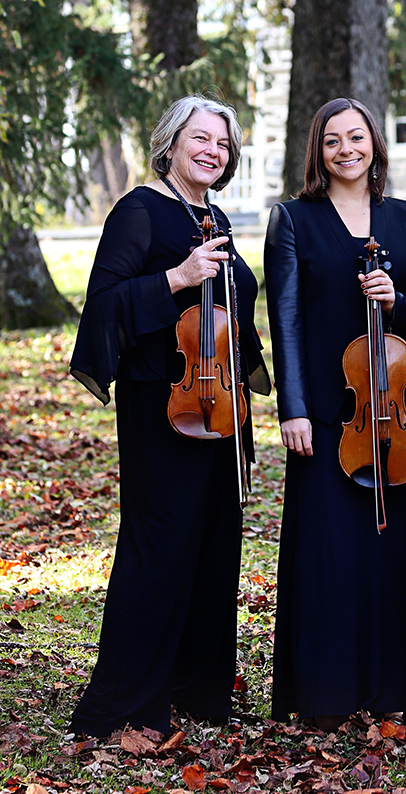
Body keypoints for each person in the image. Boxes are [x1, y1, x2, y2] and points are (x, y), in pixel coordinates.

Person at [68, 95, 271, 737]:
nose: (213, 151)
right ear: (170, 144)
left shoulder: (212, 216)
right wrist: (177, 279)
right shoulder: (139, 211)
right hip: (162, 403)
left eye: (223, 143)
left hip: (218, 405)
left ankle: (198, 692)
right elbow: (103, 307)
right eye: (200, 139)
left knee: (214, 546)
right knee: (159, 545)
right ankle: (125, 704)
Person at [264, 98, 406, 729]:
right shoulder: (292, 219)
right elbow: (284, 318)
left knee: (392, 552)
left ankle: (391, 690)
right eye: (332, 140)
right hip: (329, 415)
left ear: (374, 145)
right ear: (318, 151)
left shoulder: (405, 217)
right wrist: (295, 409)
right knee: (327, 554)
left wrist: (398, 302)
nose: (345, 149)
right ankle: (324, 693)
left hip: (391, 416)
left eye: (356, 137)